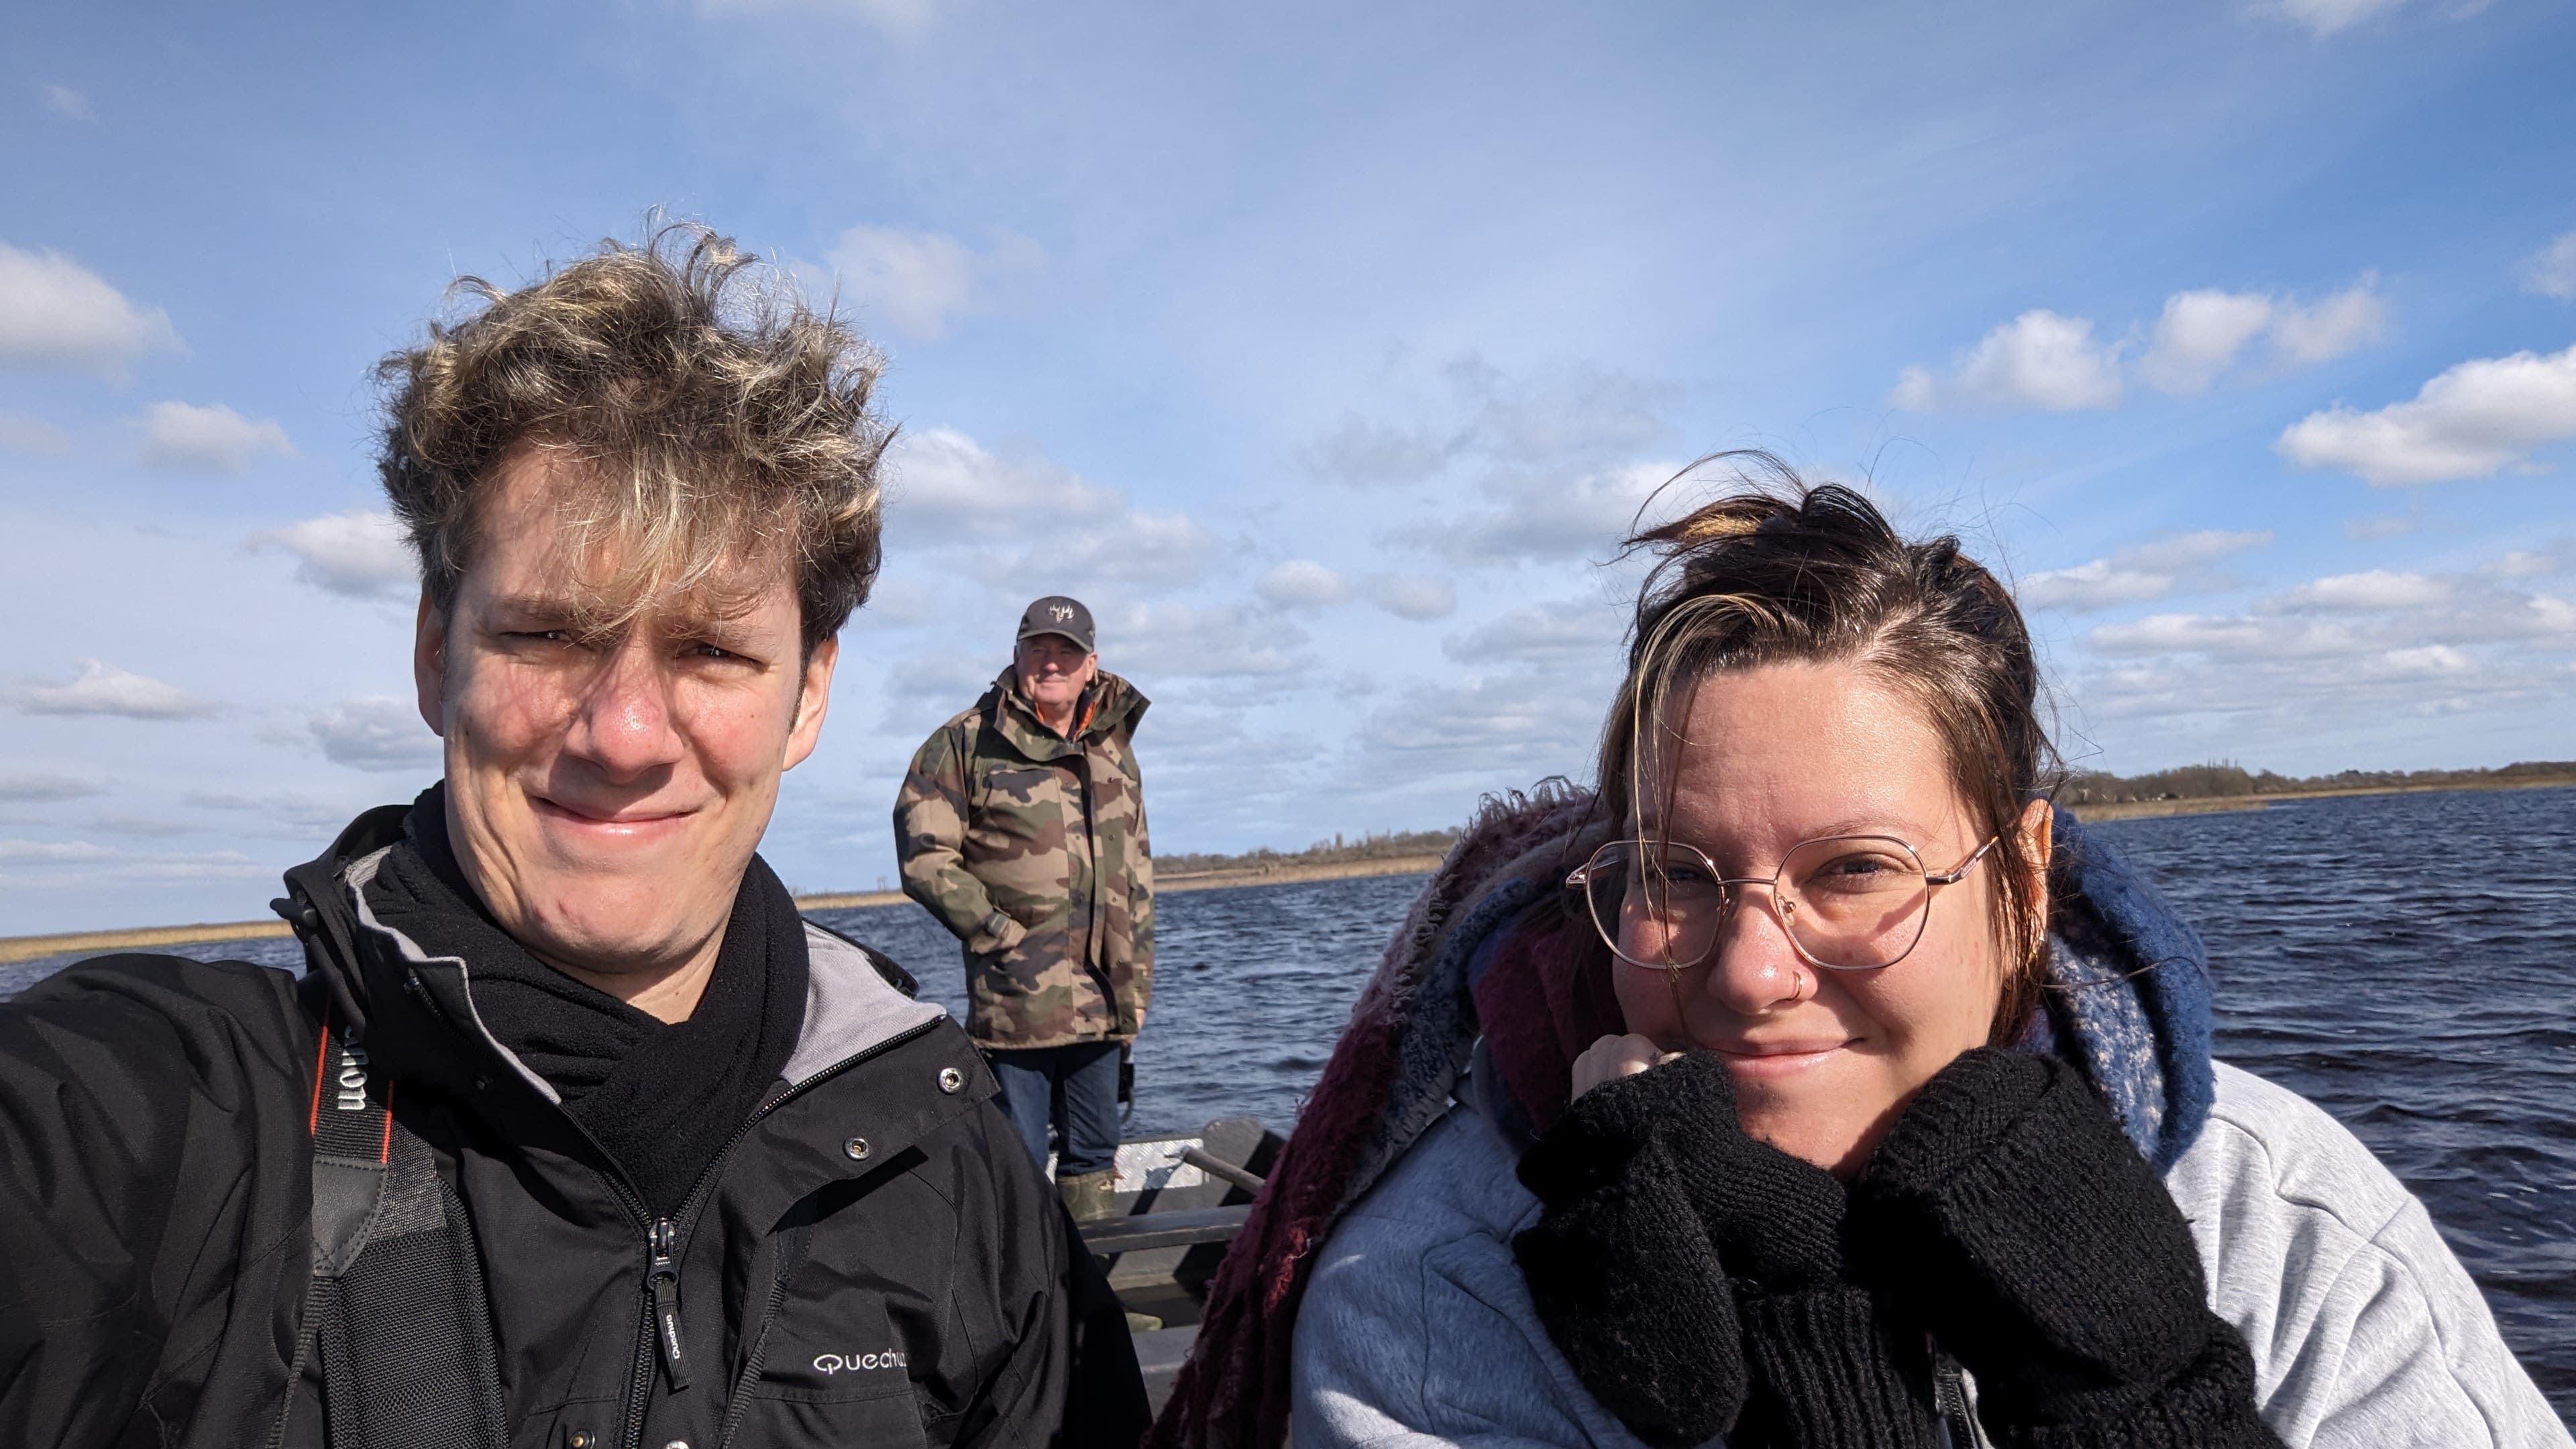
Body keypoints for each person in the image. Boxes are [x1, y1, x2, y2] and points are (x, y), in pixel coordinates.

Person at [0, 226, 1146, 1449]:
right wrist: (996, 927)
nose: (626, 733)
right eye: (549, 635)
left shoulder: (945, 1156)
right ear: (436, 652)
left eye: (710, 648)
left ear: (809, 696)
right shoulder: (160, 1124)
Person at [1154, 462, 2569, 1449]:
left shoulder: (2276, 1222)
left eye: (1854, 872)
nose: (1752, 973)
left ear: (2018, 880)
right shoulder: (1451, 1282)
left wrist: (2156, 1412)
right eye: (1678, 876)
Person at [895, 597, 1152, 1221]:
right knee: (1015, 1155)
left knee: (1096, 1150)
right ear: (1016, 655)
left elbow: (1134, 863)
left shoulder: (1112, 739)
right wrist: (996, 933)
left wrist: (1136, 973)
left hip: (1104, 997)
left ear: (1091, 664)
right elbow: (924, 854)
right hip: (1019, 998)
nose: (1051, 662)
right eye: (1039, 648)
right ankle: (1029, 1312)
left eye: (1066, 651)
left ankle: (1091, 1304)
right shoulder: (964, 742)